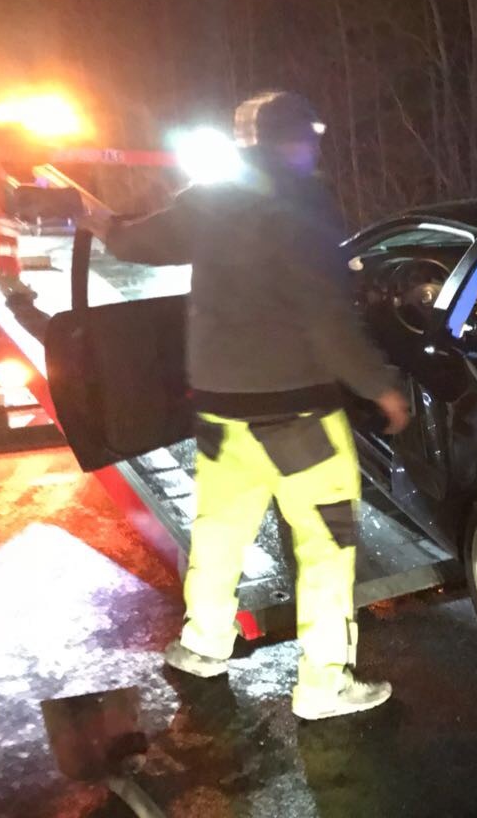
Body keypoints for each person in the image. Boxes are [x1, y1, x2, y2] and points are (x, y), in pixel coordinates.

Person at [81, 91, 410, 720]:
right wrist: (380, 386)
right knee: (326, 545)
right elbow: (327, 317)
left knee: (219, 532)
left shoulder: (211, 198)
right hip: (299, 419)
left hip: (219, 415)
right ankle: (324, 683)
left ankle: (203, 645)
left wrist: (105, 224)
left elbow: (141, 241)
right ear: (298, 141)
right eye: (311, 138)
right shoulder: (305, 204)